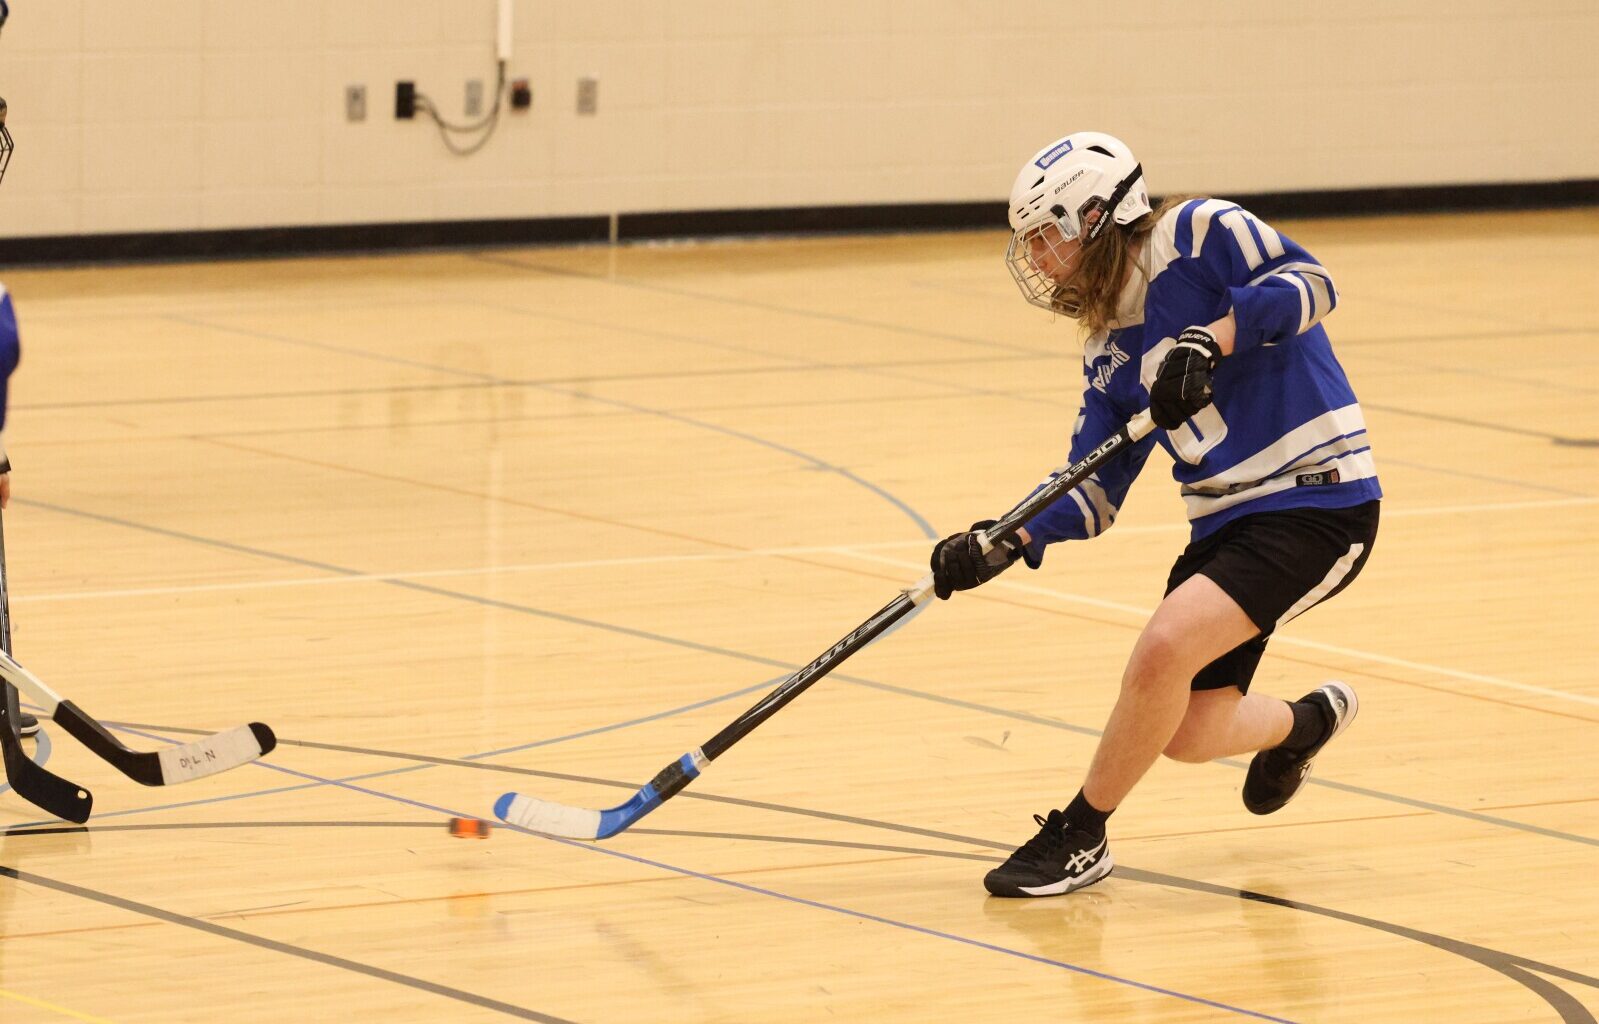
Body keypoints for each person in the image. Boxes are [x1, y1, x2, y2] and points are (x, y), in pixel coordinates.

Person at [931, 132, 1380, 898]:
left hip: (1316, 498)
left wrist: (1210, 339)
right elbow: (1093, 487)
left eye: (1044, 238)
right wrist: (1005, 538)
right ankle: (1304, 726)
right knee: (1186, 733)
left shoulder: (1197, 232)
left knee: (1161, 649)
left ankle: (1079, 835)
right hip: (1223, 526)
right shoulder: (1109, 348)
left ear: (1095, 217)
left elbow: (1312, 281)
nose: (1035, 260)